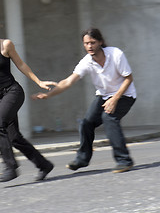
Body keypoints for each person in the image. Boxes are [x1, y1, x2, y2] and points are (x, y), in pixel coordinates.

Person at [33, 28, 136, 173]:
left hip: (125, 95)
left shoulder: (116, 54)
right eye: (86, 43)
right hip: (104, 96)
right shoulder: (87, 62)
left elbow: (128, 78)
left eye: (92, 43)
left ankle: (124, 160)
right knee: (86, 123)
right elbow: (68, 81)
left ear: (100, 42)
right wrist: (48, 95)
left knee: (109, 118)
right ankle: (82, 159)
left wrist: (115, 98)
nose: (89, 46)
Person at [0, 13, 57, 182]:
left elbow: (21, 64)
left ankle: (10, 167)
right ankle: (44, 165)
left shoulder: (5, 45)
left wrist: (38, 81)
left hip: (12, 92)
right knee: (14, 137)